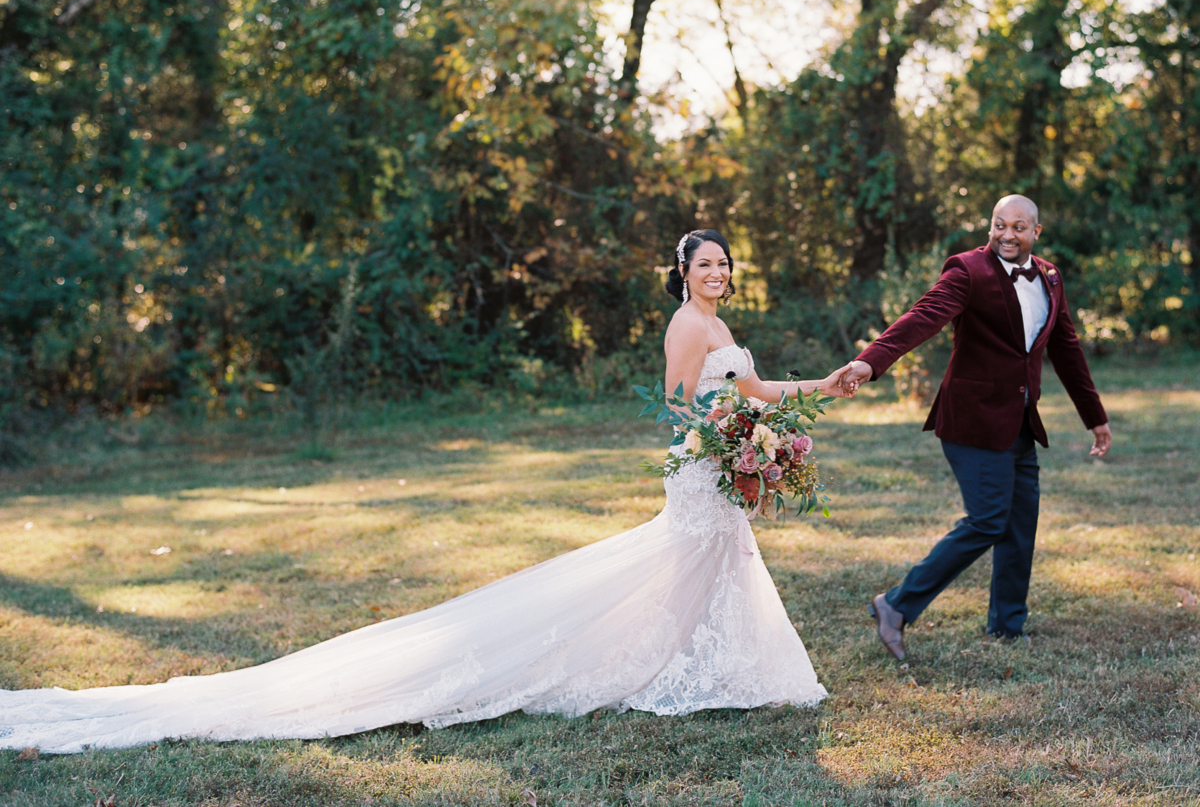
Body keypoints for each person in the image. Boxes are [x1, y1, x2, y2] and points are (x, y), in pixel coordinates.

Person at [0, 228, 846, 754]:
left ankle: (715, 669)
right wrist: (720, 435)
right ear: (682, 272)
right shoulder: (684, 325)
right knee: (689, 565)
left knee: (717, 569)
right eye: (706, 264)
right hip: (700, 469)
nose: (718, 274)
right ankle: (681, 669)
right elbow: (674, 402)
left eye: (726, 264)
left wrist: (815, 390)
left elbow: (757, 389)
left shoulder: (725, 327)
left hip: (718, 469)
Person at [838, 195, 1111, 661]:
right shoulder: (967, 270)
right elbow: (922, 317)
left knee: (1020, 524)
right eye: (999, 225)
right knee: (988, 519)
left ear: (1036, 233)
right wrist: (870, 362)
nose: (1008, 234)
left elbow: (1066, 347)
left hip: (1021, 420)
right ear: (990, 227)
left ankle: (1008, 625)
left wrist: (1095, 416)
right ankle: (896, 604)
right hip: (971, 419)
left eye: (1019, 227)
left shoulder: (1049, 277)